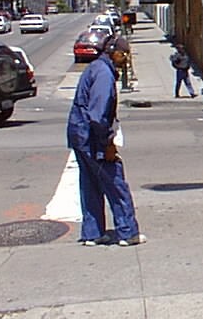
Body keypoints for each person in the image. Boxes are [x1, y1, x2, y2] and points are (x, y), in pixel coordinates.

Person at [67, 36, 146, 247]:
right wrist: (108, 144)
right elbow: (97, 115)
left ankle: (93, 233)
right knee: (115, 183)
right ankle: (127, 232)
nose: (126, 58)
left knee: (90, 184)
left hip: (80, 134)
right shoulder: (103, 74)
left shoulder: (95, 67)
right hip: (92, 137)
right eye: (124, 54)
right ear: (114, 52)